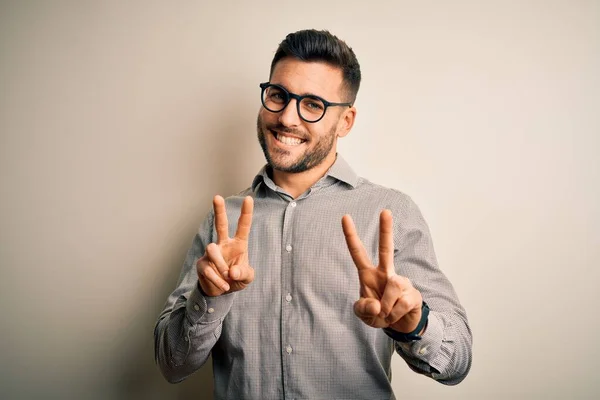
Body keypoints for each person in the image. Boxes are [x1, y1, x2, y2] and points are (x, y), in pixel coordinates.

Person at [154, 29, 472, 400]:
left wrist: (414, 325)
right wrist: (208, 296)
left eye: (312, 104)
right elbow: (171, 365)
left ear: (346, 121)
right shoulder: (222, 221)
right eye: (278, 95)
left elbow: (457, 360)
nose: (287, 117)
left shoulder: (390, 214)